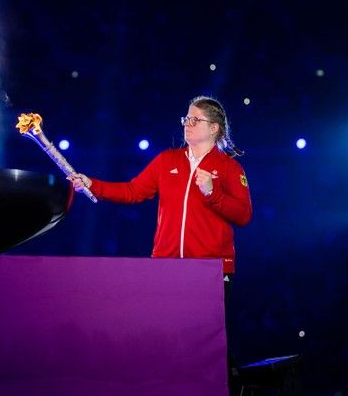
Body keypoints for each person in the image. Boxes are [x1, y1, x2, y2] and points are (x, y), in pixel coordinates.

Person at [68, 95, 252, 388]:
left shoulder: (229, 168)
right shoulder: (167, 161)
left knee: (204, 341)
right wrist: (94, 185)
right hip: (166, 267)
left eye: (195, 120)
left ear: (214, 128)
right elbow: (133, 191)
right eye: (186, 119)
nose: (187, 124)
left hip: (211, 269)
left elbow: (243, 215)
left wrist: (212, 192)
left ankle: (228, 388)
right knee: (165, 338)